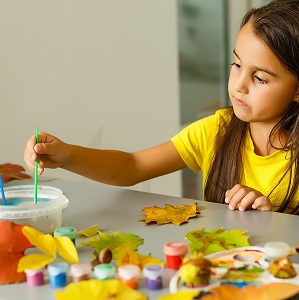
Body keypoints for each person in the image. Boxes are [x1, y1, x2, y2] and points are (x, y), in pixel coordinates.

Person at [24, 0, 299, 214]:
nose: (239, 84)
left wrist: (274, 221)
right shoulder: (216, 130)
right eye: (237, 65)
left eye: (260, 78)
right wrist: (67, 155)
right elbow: (133, 166)